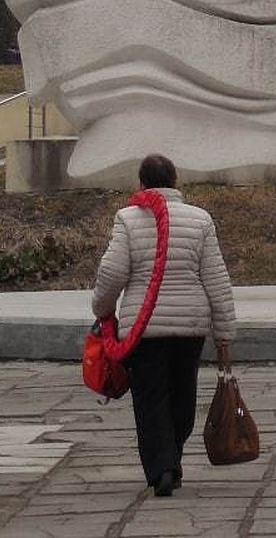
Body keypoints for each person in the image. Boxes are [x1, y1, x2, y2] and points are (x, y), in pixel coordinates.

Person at [92, 153, 237, 497]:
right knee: (182, 394)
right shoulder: (200, 219)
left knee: (150, 397)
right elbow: (216, 278)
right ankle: (172, 457)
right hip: (189, 325)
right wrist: (224, 333)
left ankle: (162, 468)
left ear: (140, 183)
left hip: (143, 328)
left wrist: (102, 307)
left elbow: (113, 273)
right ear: (175, 182)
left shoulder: (127, 219)